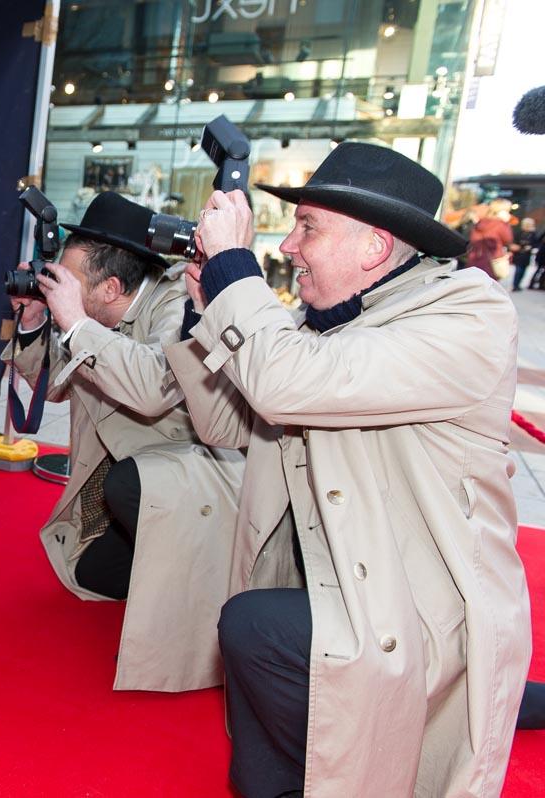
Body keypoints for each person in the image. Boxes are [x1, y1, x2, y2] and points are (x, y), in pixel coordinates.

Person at [165, 142, 530, 796]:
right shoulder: (335, 320)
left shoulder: (466, 316)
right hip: (348, 576)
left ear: (374, 248)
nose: (288, 247)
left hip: (421, 603)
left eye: (308, 227)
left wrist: (233, 268)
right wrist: (204, 308)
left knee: (256, 627)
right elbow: (225, 426)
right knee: (254, 640)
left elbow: (284, 385)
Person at [3, 192, 244, 692]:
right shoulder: (96, 314)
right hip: (133, 474)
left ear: (112, 286)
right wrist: (33, 323)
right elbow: (52, 386)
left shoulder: (182, 302)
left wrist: (77, 322)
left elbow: (154, 390)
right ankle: (162, 567)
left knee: (128, 484)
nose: (58, 293)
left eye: (69, 284)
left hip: (203, 478)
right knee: (92, 577)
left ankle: (209, 590)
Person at [511, 217, 539, 291]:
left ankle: (518, 284)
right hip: (519, 255)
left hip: (526, 255)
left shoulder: (533, 234)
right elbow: (514, 242)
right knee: (518, 270)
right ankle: (515, 285)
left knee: (523, 271)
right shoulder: (519, 233)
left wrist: (530, 247)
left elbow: (536, 244)